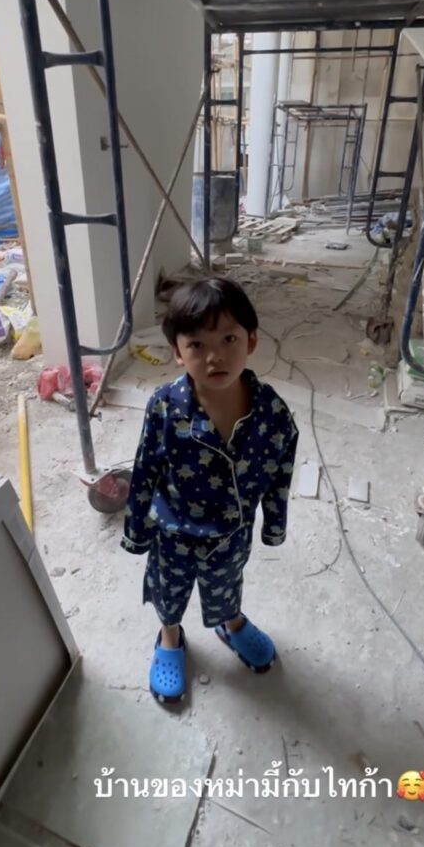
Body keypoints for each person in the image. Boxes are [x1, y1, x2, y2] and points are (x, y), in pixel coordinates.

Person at [122, 277, 298, 703]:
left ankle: (230, 622)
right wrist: (137, 531)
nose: (215, 356)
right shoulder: (165, 406)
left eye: (229, 339)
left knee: (227, 584)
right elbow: (145, 469)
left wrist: (273, 525)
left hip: (231, 533)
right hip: (173, 533)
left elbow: (281, 471)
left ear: (251, 341)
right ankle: (169, 637)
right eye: (197, 345)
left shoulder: (272, 412)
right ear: (177, 352)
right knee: (168, 591)